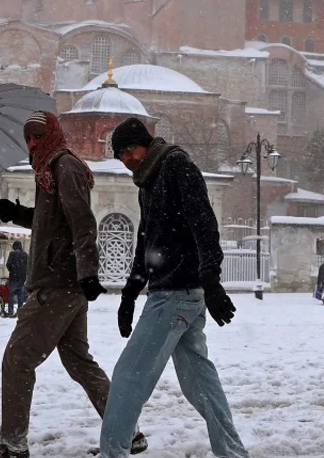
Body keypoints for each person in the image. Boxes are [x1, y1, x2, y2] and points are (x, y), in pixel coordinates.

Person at [0, 110, 144, 458]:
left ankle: (13, 445)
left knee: (18, 359)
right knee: (79, 362)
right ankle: (128, 433)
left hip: (57, 284)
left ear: (51, 134)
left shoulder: (64, 166)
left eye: (38, 136)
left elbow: (83, 221)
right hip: (64, 283)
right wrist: (15, 213)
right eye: (28, 138)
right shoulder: (48, 171)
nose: (32, 143)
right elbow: (51, 221)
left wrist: (88, 271)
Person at [98, 117, 247, 458]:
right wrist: (130, 293)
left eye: (129, 150)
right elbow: (146, 239)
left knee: (129, 377)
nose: (126, 159)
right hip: (181, 296)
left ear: (145, 142)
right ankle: (233, 453)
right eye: (119, 155)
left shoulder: (176, 165)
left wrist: (212, 281)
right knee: (200, 383)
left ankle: (112, 452)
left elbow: (204, 224)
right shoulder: (148, 179)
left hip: (176, 296)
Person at [4, 240, 29, 318]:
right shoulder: (25, 255)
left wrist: (12, 270)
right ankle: (20, 311)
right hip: (22, 278)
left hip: (13, 278)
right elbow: (28, 266)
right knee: (20, 296)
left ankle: (10, 311)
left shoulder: (12, 254)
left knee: (11, 295)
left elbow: (8, 264)